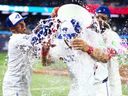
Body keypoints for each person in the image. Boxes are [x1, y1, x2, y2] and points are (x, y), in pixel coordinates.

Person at [41, 1, 117, 96]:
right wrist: (44, 52)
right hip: (76, 87)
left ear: (80, 31)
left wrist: (88, 48)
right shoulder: (61, 44)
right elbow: (46, 63)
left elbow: (105, 57)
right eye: (69, 37)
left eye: (74, 35)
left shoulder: (91, 35)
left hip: (97, 87)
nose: (71, 40)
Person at [2, 12, 45, 96]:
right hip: (14, 86)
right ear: (12, 29)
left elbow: (38, 52)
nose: (23, 26)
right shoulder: (16, 39)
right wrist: (52, 20)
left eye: (23, 22)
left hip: (23, 85)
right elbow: (37, 38)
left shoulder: (24, 40)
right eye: (20, 25)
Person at [92, 5, 124, 96]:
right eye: (97, 17)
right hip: (97, 81)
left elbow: (106, 56)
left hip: (111, 80)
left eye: (103, 18)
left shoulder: (113, 36)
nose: (99, 20)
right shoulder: (92, 35)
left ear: (108, 20)